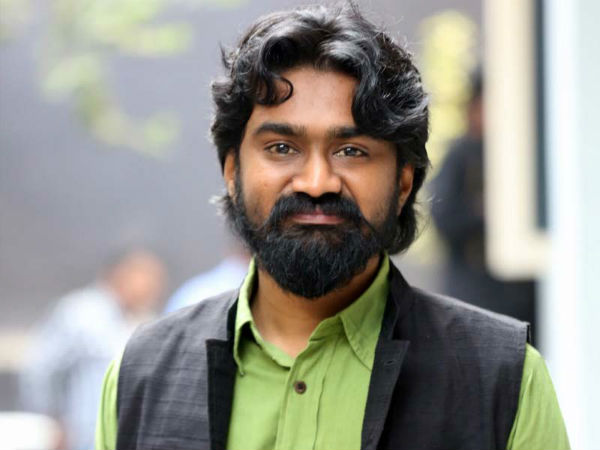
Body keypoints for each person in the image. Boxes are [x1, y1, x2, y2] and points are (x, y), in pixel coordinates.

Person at [95, 4, 569, 450]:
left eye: (351, 151)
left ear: (403, 182)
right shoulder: (141, 376)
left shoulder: (502, 380)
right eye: (282, 148)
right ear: (233, 171)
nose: (317, 182)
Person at [20, 249, 166, 450]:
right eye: (146, 276)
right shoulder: (80, 313)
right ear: (119, 275)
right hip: (80, 437)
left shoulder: (145, 320)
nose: (153, 286)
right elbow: (41, 369)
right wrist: (53, 422)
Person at [430, 70, 536, 329]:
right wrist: (486, 212)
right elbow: (444, 215)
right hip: (474, 291)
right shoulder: (462, 155)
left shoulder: (522, 153)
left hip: (522, 295)